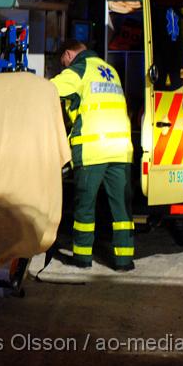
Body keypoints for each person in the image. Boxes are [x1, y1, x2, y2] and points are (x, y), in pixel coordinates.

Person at [50, 39, 135, 271]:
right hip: (120, 149)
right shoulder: (109, 70)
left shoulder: (79, 68)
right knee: (122, 209)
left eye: (62, 63)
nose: (63, 67)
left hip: (93, 148)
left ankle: (82, 258)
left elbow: (49, 90)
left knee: (85, 206)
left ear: (68, 54)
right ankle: (124, 261)